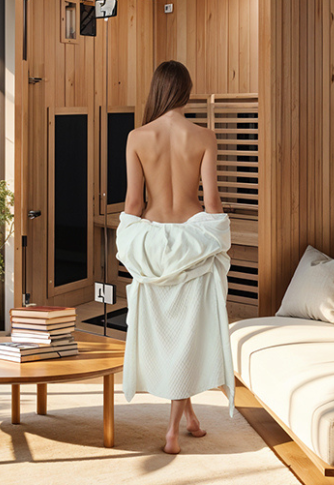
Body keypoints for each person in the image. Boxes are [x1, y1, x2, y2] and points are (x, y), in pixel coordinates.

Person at [115, 60, 234, 455]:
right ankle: (172, 431)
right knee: (186, 336)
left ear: (157, 91)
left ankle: (188, 418)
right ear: (185, 90)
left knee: (171, 337)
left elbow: (133, 203)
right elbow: (212, 203)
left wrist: (133, 245)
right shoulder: (204, 136)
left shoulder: (137, 137)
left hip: (152, 246)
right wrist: (214, 238)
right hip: (190, 245)